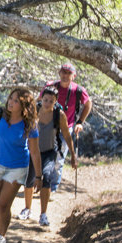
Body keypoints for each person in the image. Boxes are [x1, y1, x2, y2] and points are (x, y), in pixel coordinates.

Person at [0, 87, 42, 243]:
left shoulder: (29, 124)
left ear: (24, 106)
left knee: (3, 204)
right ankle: (1, 220)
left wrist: (38, 176)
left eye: (16, 101)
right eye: (11, 98)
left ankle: (1, 237)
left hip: (17, 168)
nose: (11, 102)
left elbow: (35, 152)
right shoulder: (0, 114)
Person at [17, 85, 76, 227]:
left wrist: (73, 156)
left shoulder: (59, 115)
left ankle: (43, 214)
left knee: (47, 177)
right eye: (45, 100)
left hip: (50, 151)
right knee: (29, 179)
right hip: (33, 150)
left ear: (55, 101)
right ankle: (27, 209)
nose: (48, 103)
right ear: (41, 99)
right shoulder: (34, 111)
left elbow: (67, 136)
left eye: (51, 101)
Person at [46, 62, 92, 140]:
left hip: (65, 129)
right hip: (47, 127)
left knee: (60, 152)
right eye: (64, 72)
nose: (65, 75)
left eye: (69, 73)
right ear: (59, 72)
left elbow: (88, 104)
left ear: (74, 76)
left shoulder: (78, 90)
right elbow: (38, 101)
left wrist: (80, 122)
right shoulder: (50, 86)